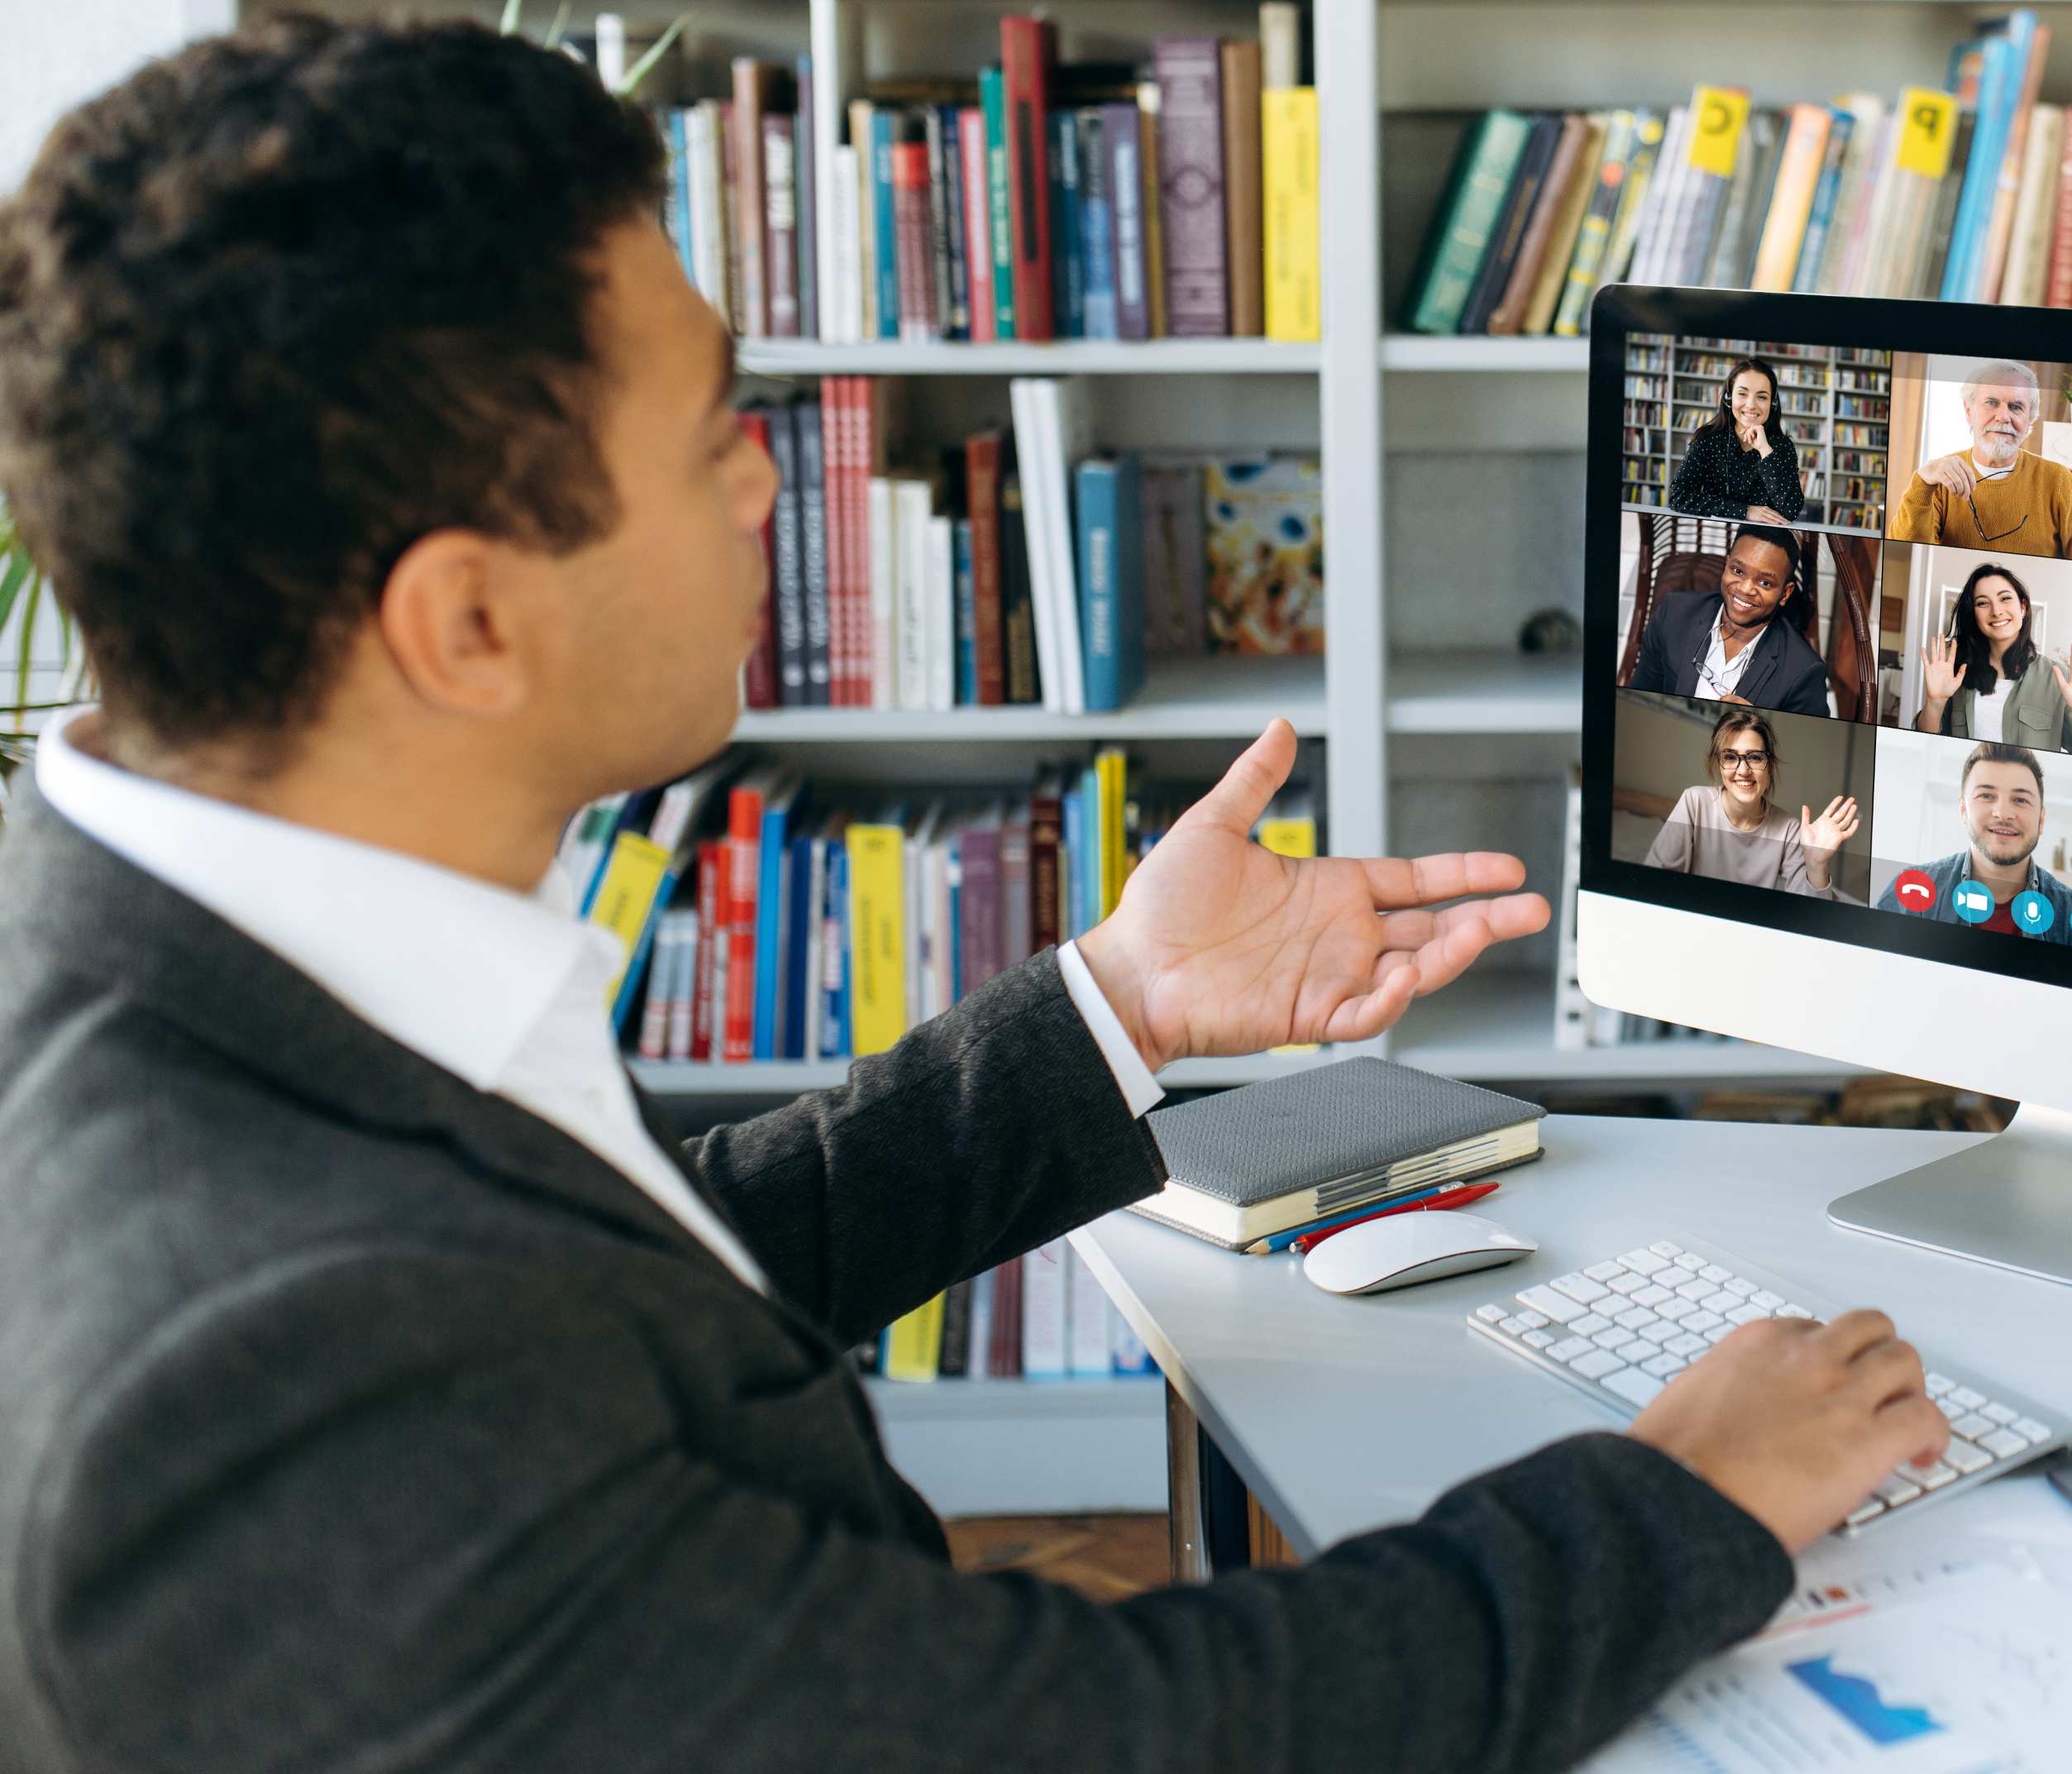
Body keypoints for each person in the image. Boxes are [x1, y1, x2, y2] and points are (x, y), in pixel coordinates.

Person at [0, 23, 1955, 1773]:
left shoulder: (170, 982)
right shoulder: (260, 1373)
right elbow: (1107, 1735)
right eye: (710, 438)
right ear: (468, 619)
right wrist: (1679, 1491)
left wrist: (1117, 996)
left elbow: (608, 1303)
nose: (773, 485)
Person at [1878, 744, 2072, 954]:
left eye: (2020, 800)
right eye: (1986, 796)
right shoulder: (1909, 895)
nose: (2003, 814)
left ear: (2041, 819)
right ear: (1964, 811)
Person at [1885, 361, 2072, 565]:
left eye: (2016, 407)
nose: (2003, 416)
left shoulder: (2059, 480)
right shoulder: (1938, 481)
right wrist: (1922, 481)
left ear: (2029, 419)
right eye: (1991, 403)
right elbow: (1906, 556)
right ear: (1969, 411)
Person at [1623, 523, 1835, 716]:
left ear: (1785, 594)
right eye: (1738, 571)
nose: (1745, 589)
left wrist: (1760, 724)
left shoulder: (1804, 671)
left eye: (1765, 583)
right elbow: (1636, 700)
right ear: (1726, 566)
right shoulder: (1673, 614)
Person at [1639, 709, 1856, 897]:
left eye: (1754, 757)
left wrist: (1816, 865)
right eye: (1731, 757)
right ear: (1718, 763)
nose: (1743, 771)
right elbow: (1655, 883)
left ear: (1769, 765)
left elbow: (1811, 916)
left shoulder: (1789, 830)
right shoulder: (1694, 802)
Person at [1911, 562, 2072, 758]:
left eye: (2005, 598)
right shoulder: (1956, 675)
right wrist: (1935, 703)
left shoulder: (2058, 679)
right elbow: (1926, 747)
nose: (1996, 611)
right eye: (1982, 603)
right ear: (1974, 615)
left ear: (2023, 606)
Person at [1663, 356, 1807, 523]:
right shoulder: (1708, 440)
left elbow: (1791, 510)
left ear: (1773, 404)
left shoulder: (1783, 446)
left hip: (1762, 541)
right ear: (1729, 398)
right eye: (1742, 394)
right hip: (1715, 535)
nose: (1751, 404)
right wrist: (1744, 511)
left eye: (1762, 397)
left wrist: (1765, 450)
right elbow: (1677, 496)